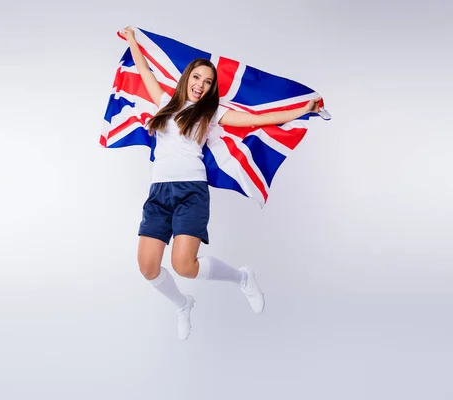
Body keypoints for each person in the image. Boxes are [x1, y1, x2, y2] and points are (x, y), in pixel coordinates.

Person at [120, 26, 321, 340]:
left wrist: (302, 109)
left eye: (208, 82)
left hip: (191, 191)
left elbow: (258, 118)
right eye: (197, 78)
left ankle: (242, 278)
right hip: (159, 191)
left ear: (211, 88)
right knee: (148, 268)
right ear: (187, 78)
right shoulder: (163, 103)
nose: (201, 85)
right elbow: (144, 68)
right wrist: (132, 39)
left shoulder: (211, 113)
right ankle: (183, 304)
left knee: (185, 265)